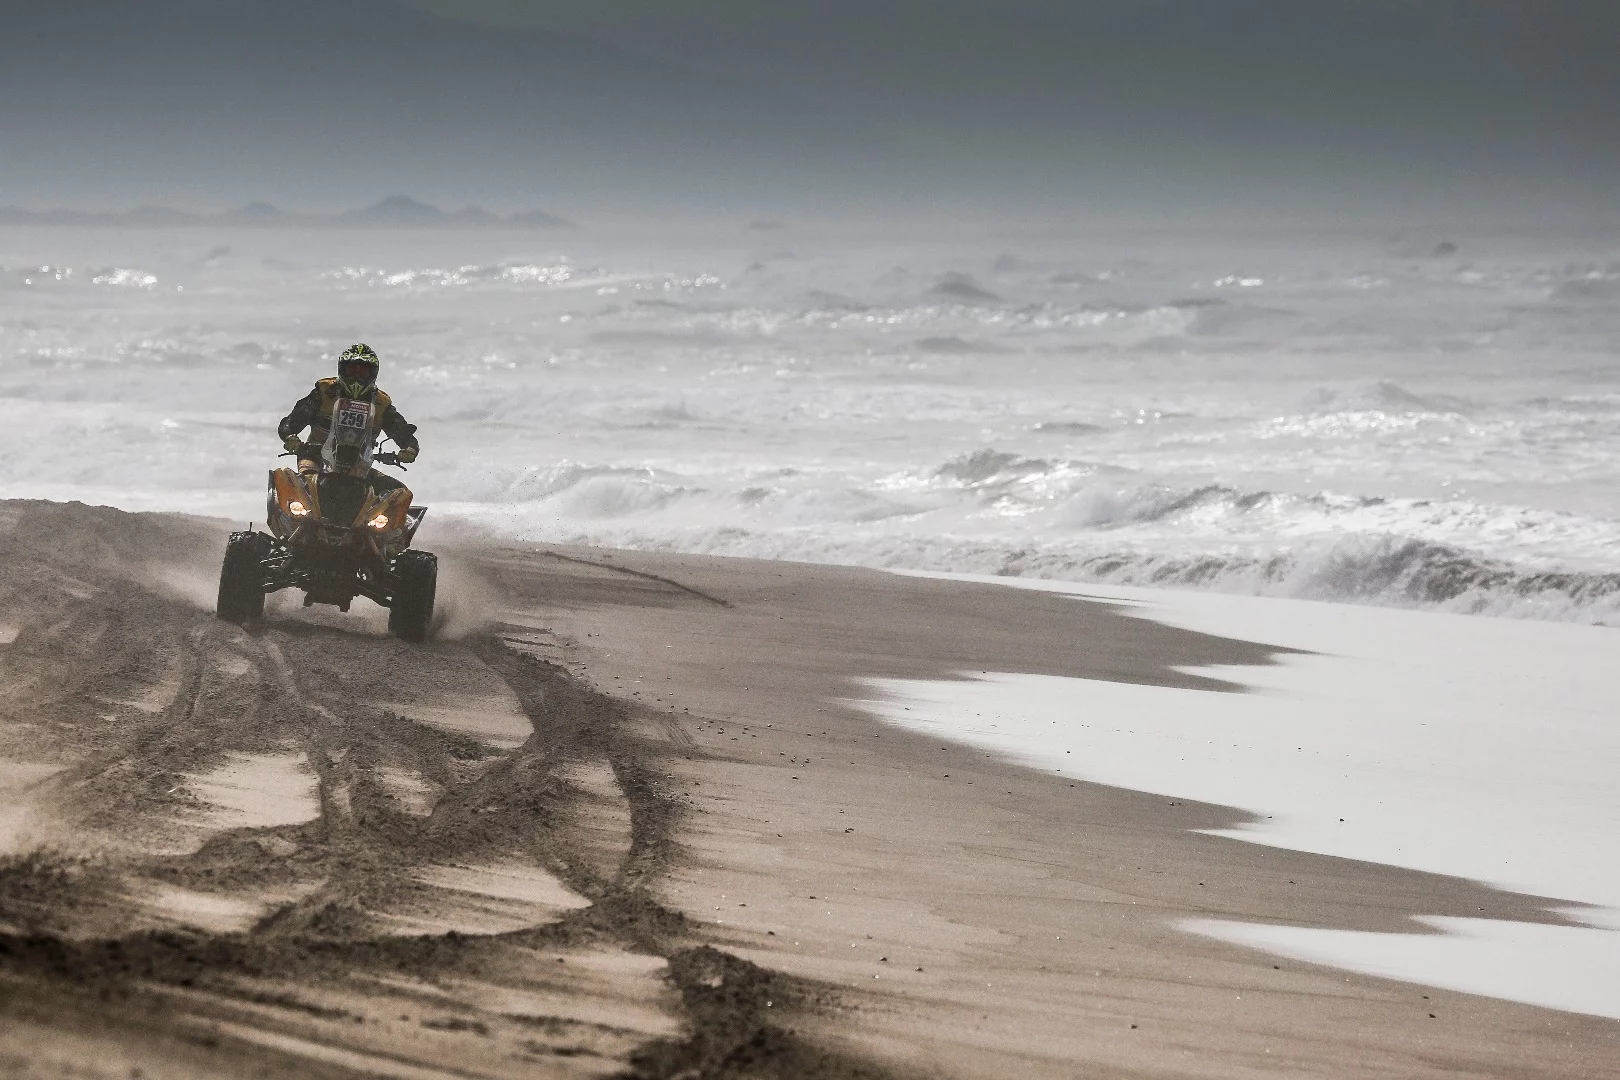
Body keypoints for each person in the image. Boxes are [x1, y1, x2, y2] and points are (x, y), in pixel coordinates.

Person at [277, 344, 419, 495]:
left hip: (359, 468)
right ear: (342, 370)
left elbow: (402, 433)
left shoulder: (381, 403)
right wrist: (291, 438)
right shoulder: (323, 392)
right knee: (298, 486)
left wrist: (409, 450)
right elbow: (290, 423)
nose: (357, 376)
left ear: (373, 373)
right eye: (352, 370)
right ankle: (282, 514)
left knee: (399, 493)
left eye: (363, 371)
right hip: (315, 458)